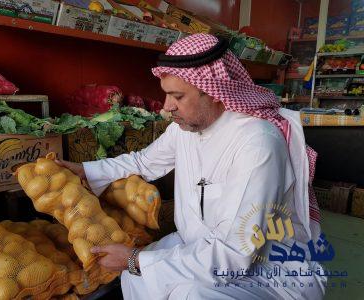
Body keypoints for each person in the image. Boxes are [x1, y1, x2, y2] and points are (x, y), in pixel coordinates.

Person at [58, 34, 327, 299]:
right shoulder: (186, 128)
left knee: (189, 294)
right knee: (137, 277)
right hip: (198, 248)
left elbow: (235, 253)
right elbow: (143, 162)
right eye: (166, 95)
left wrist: (135, 259)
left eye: (177, 96)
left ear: (214, 92)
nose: (166, 108)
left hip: (266, 271)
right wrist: (86, 171)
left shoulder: (257, 144)